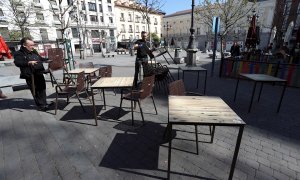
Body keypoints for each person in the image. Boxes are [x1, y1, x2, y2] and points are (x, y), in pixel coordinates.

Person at [14, 37, 51, 111]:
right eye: (31, 45)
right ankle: (41, 106)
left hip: (39, 72)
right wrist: (28, 63)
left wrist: (47, 60)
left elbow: (40, 58)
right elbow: (17, 63)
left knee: (42, 89)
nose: (33, 47)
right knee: (36, 90)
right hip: (30, 75)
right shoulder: (19, 53)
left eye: (33, 45)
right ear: (24, 45)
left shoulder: (34, 51)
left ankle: (44, 103)